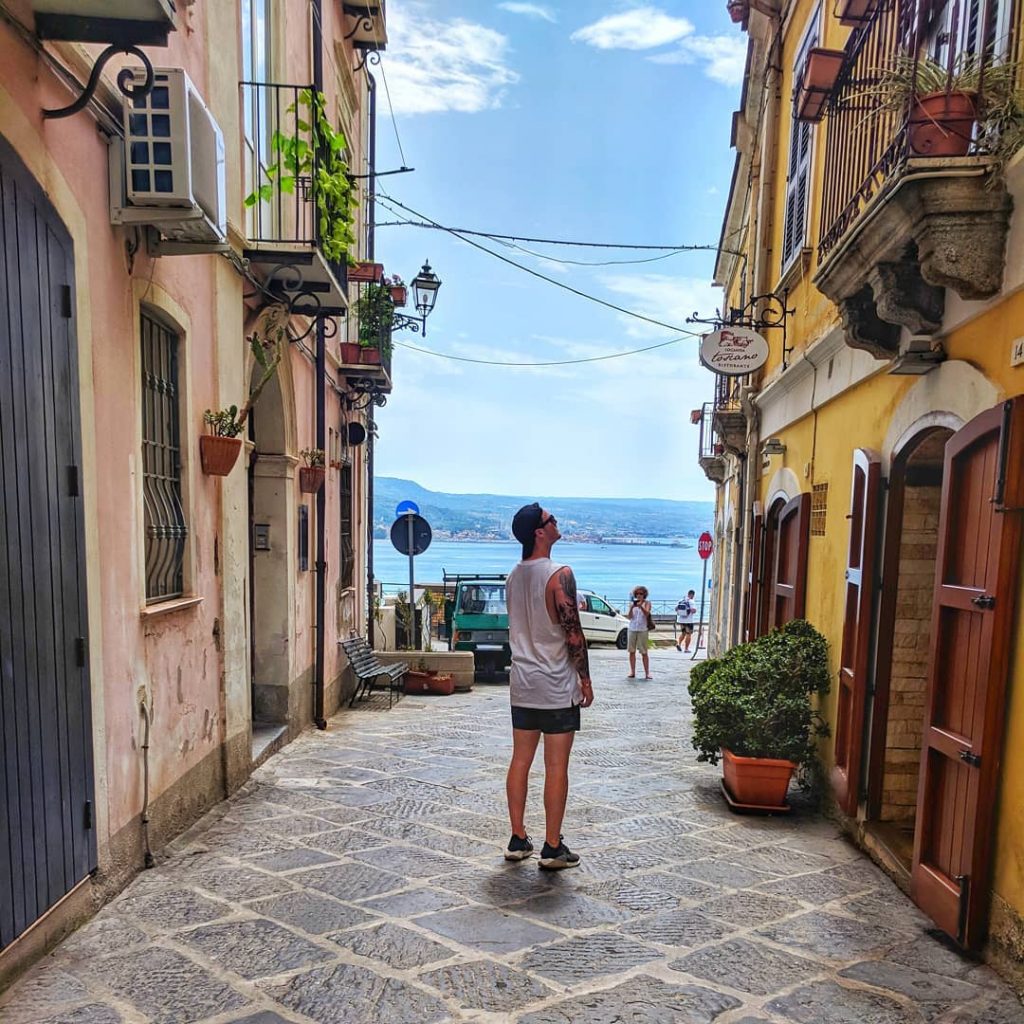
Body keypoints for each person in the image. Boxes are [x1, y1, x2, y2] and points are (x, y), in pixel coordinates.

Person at [504, 502, 594, 870]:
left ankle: (517, 837)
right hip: (556, 684)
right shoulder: (560, 575)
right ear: (539, 533)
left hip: (522, 683)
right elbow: (573, 633)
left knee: (520, 761)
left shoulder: (513, 576)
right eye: (551, 520)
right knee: (556, 767)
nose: (557, 522)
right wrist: (585, 678)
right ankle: (552, 846)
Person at [626, 585, 652, 680]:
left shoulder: (647, 603)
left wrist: (641, 607)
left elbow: (647, 614)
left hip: (642, 629)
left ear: (644, 594)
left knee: (644, 652)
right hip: (632, 628)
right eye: (637, 594)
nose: (639, 595)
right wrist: (632, 607)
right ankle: (632, 671)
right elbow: (629, 617)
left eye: (641, 594)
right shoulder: (632, 604)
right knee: (631, 651)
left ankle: (647, 673)